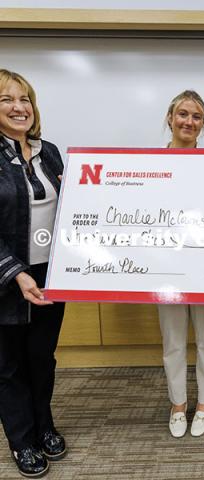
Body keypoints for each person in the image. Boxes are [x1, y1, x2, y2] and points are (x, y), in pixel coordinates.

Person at [0, 69, 66, 478]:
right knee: (8, 366)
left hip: (51, 275)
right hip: (7, 278)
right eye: (6, 99)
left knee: (42, 357)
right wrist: (17, 274)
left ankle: (45, 426)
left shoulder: (51, 151)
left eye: (24, 99)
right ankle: (21, 440)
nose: (18, 107)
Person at [158, 90, 204, 438]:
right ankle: (178, 404)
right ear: (170, 118)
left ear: (203, 124)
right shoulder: (148, 164)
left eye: (197, 117)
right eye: (183, 114)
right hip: (167, 267)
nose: (189, 122)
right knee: (173, 340)